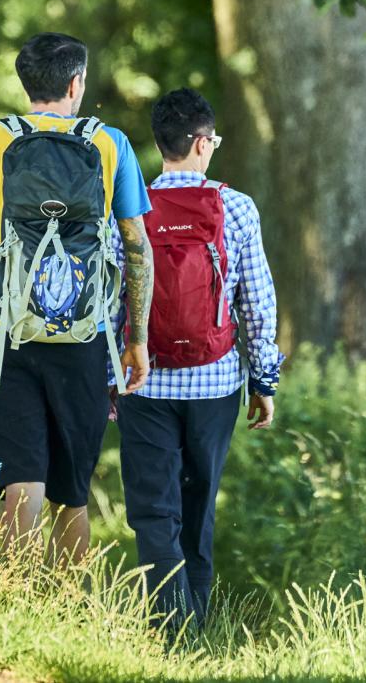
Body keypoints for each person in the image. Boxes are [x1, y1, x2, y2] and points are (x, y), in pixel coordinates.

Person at [0, 32, 154, 562]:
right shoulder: (111, 143)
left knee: (20, 481)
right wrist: (137, 339)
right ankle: (68, 600)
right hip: (86, 337)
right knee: (71, 493)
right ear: (76, 83)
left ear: (25, 84)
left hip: (10, 335)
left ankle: (17, 598)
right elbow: (137, 250)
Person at [117, 87, 283, 637]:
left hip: (144, 382)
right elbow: (256, 303)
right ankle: (197, 629)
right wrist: (263, 380)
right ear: (203, 143)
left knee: (153, 512)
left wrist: (110, 377)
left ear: (161, 143)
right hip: (216, 384)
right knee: (198, 505)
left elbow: (112, 298)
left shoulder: (130, 205)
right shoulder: (236, 207)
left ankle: (172, 628)